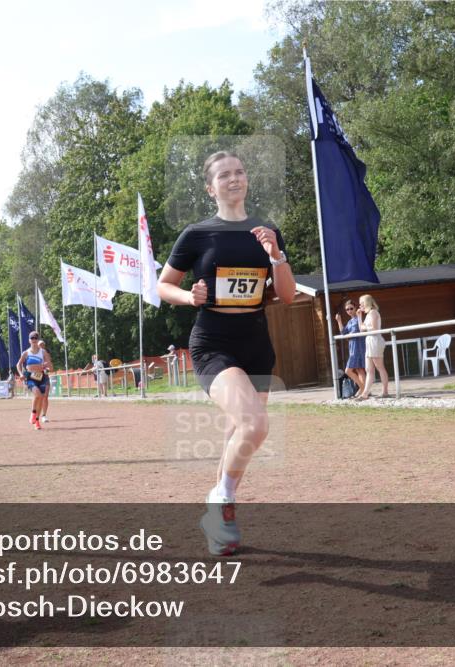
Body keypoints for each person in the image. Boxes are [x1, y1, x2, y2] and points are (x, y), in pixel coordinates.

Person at [158, 150, 296, 556]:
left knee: (241, 431)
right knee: (255, 426)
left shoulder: (267, 231)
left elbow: (286, 294)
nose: (234, 179)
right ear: (210, 187)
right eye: (224, 175)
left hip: (256, 342)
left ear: (247, 180)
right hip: (213, 342)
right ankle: (221, 501)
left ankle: (217, 519)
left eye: (239, 172)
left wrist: (276, 256)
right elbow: (163, 285)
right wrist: (189, 296)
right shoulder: (197, 234)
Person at [356, 295, 389, 399]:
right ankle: (365, 393)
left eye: (361, 303)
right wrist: (359, 317)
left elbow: (374, 328)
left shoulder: (373, 312)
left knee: (380, 367)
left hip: (375, 340)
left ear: (366, 302)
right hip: (369, 340)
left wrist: (365, 327)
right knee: (369, 369)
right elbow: (361, 329)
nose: (360, 305)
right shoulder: (368, 314)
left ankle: (385, 391)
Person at [334, 298, 367, 398]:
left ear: (355, 307)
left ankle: (363, 389)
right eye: (347, 309)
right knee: (359, 369)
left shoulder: (358, 319)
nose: (349, 311)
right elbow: (343, 332)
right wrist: (339, 321)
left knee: (348, 370)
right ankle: (364, 391)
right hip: (353, 347)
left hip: (358, 347)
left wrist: (350, 335)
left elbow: (360, 331)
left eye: (351, 308)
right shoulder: (350, 321)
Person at [17, 332, 48, 429]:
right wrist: (21, 374)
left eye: (35, 338)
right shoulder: (26, 353)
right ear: (29, 340)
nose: (34, 340)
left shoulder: (43, 352)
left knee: (41, 398)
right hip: (30, 377)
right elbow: (18, 364)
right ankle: (33, 413)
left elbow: (50, 365)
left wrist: (47, 366)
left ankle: (37, 422)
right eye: (32, 338)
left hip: (41, 377)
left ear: (38, 340)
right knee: (37, 394)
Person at [38, 340, 53, 422]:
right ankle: (36, 413)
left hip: (45, 377)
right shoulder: (34, 355)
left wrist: (47, 369)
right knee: (39, 397)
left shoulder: (47, 355)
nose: (42, 346)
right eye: (40, 345)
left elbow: (51, 367)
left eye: (43, 345)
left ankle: (44, 415)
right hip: (36, 377)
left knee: (45, 396)